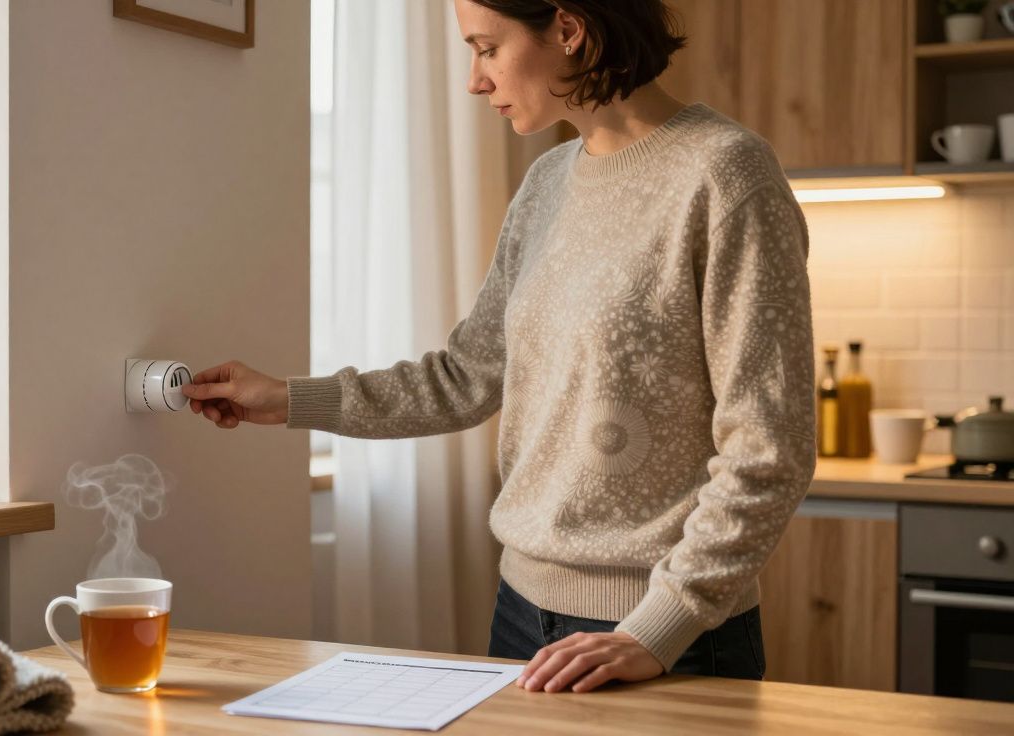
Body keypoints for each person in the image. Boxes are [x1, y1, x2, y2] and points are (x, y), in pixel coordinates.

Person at [181, 0, 814, 695]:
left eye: (486, 47)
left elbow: (769, 446)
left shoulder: (727, 175)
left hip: (666, 636)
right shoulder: (546, 182)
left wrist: (659, 628)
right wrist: (287, 398)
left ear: (568, 31)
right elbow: (467, 375)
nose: (474, 80)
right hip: (520, 619)